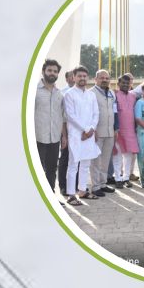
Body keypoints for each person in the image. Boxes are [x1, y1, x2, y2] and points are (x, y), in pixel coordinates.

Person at [64, 66, 100, 206]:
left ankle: (82, 190)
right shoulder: (69, 94)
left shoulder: (91, 95)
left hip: (89, 134)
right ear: (74, 77)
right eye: (80, 76)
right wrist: (85, 129)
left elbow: (96, 114)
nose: (83, 78)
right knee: (73, 165)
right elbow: (70, 115)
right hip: (76, 134)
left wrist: (91, 129)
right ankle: (71, 195)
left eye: (85, 76)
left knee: (85, 164)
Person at [32, 59, 65, 192]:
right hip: (37, 137)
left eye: (55, 71)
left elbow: (62, 116)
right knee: (37, 170)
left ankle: (51, 196)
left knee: (52, 169)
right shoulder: (33, 91)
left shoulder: (59, 93)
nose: (52, 73)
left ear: (58, 74)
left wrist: (64, 137)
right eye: (50, 70)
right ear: (43, 71)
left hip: (54, 138)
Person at [89, 70, 117, 195]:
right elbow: (88, 114)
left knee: (105, 160)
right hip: (96, 133)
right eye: (102, 78)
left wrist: (115, 129)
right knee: (95, 160)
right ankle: (95, 187)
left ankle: (103, 183)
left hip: (110, 132)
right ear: (96, 79)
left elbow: (114, 112)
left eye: (107, 78)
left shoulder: (111, 93)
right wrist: (92, 130)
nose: (105, 80)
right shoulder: (90, 93)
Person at [112, 74, 139, 188]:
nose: (125, 85)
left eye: (127, 83)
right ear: (118, 84)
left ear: (130, 85)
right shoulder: (114, 95)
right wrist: (114, 128)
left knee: (128, 155)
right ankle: (118, 178)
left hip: (130, 130)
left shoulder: (133, 96)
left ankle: (126, 178)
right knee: (117, 155)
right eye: (123, 83)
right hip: (118, 130)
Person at [56, 68, 76, 193]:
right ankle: (63, 186)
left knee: (76, 159)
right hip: (65, 130)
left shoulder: (83, 92)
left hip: (79, 131)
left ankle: (74, 185)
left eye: (75, 75)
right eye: (71, 76)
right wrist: (64, 134)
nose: (74, 78)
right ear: (67, 78)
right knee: (65, 158)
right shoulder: (62, 92)